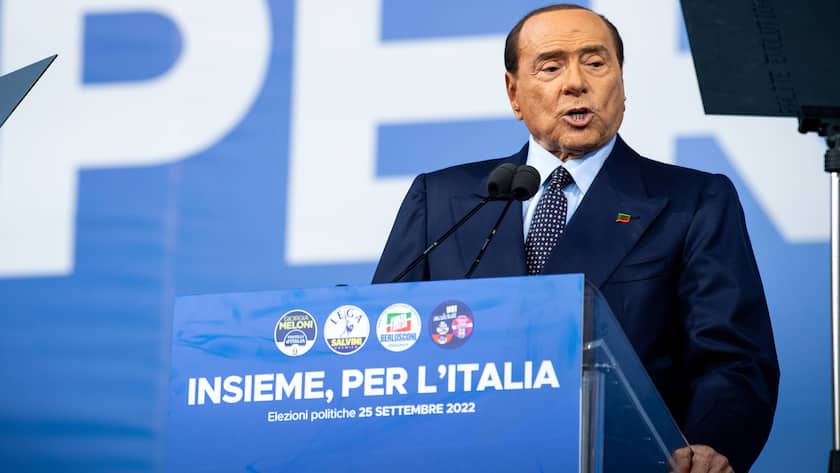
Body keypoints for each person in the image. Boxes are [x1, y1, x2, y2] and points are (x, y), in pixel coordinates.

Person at [372, 4, 779, 473]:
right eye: (550, 66)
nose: (575, 82)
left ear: (621, 83)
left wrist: (707, 446)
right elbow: (389, 345)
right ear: (514, 93)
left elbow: (733, 360)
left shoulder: (693, 200)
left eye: (595, 62)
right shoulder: (444, 201)